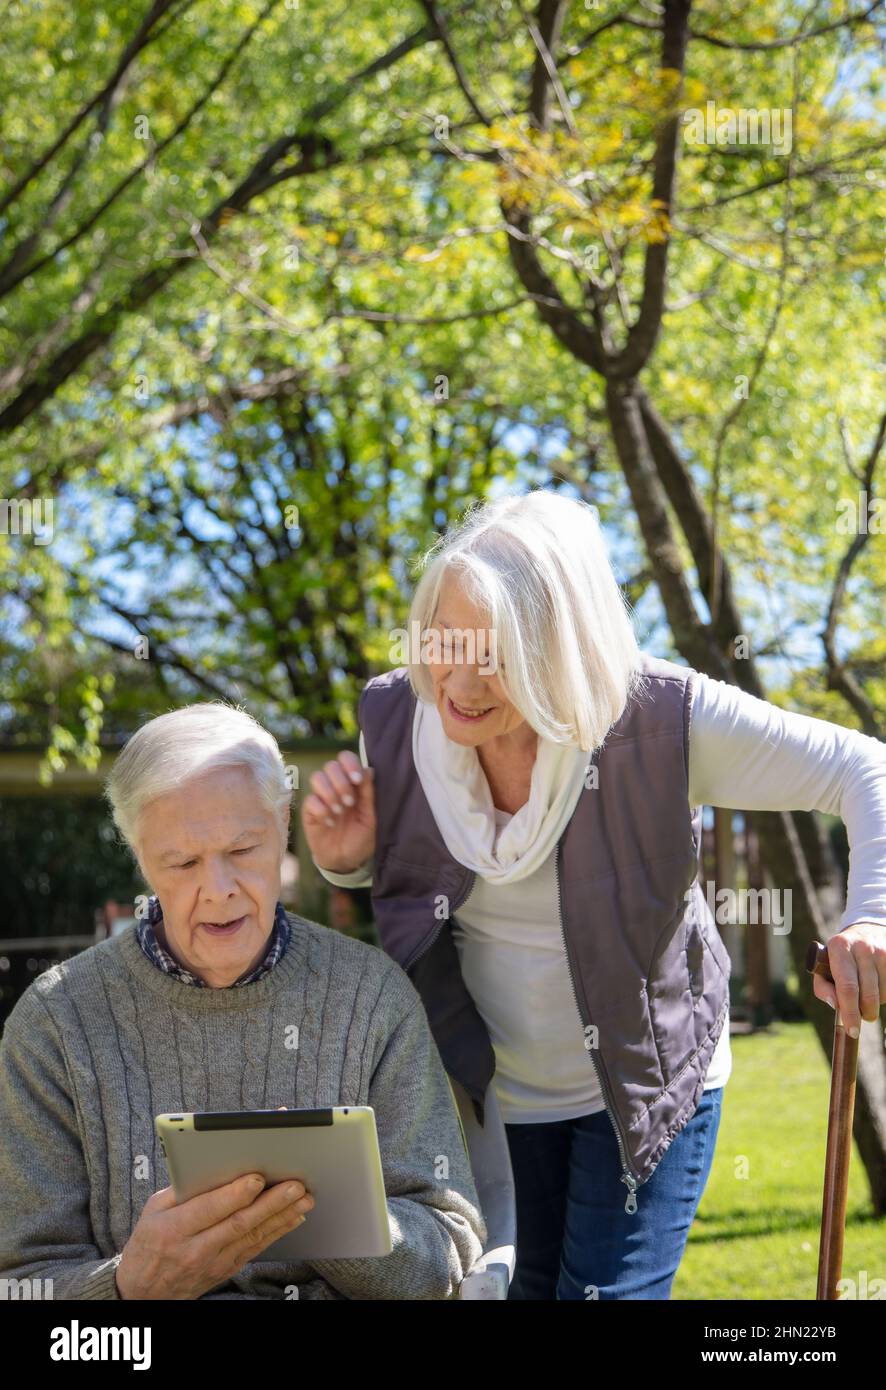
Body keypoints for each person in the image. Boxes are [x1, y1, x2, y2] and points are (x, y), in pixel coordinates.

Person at [302, 488, 886, 1300]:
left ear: (558, 643)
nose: (460, 681)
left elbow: (865, 767)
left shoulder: (661, 716)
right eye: (445, 641)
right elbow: (414, 888)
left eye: (497, 654)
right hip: (494, 1100)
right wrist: (349, 861)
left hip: (642, 1087)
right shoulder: (397, 718)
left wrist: (874, 917)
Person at [0, 703, 486, 1299]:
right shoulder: (55, 1022)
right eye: (182, 862)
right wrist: (128, 1285)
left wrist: (322, 1209)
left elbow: (451, 1248)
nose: (220, 890)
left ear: (283, 826)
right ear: (141, 857)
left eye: (244, 849)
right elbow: (21, 1287)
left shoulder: (371, 995)